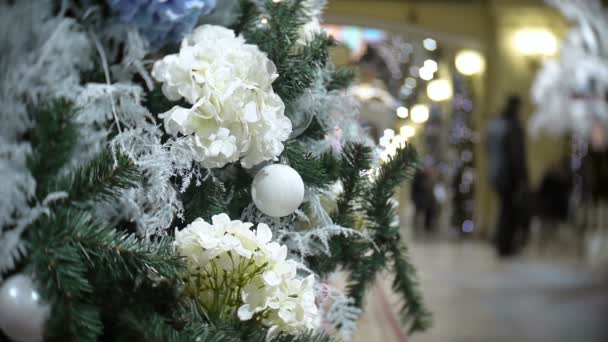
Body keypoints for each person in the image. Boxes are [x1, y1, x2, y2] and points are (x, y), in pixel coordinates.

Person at [486, 95, 530, 256]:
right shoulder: (513, 126)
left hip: (497, 175)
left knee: (504, 209)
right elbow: (517, 155)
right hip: (510, 176)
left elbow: (489, 151)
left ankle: (502, 242)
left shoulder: (495, 125)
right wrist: (523, 178)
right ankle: (505, 244)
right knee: (509, 211)